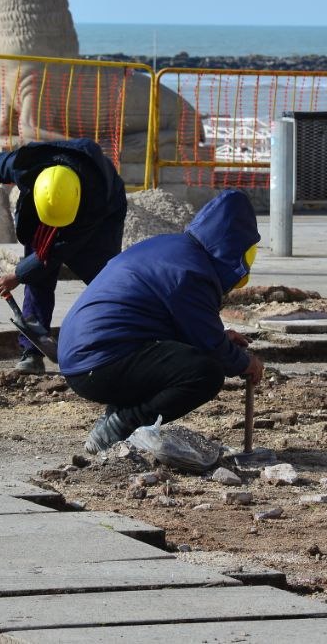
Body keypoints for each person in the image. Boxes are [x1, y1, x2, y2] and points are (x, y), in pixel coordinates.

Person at [57, 188, 264, 454]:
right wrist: (245, 363)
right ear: (233, 248)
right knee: (205, 373)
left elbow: (183, 328)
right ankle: (122, 425)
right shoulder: (191, 272)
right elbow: (210, 347)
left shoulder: (175, 250)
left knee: (189, 360)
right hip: (98, 361)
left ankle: (118, 416)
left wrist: (221, 340)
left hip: (87, 355)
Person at [0, 138, 127, 374]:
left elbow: (59, 248)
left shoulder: (96, 198)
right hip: (40, 210)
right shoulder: (25, 164)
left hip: (100, 220)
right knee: (38, 276)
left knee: (104, 278)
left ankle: (121, 341)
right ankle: (31, 352)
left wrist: (18, 274)